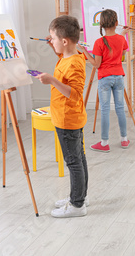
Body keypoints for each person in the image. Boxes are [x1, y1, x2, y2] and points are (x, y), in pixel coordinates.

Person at [35, 15, 89, 218]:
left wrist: (51, 80)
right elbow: (64, 65)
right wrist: (53, 48)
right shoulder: (69, 57)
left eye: (53, 38)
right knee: (79, 159)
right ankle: (80, 195)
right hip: (69, 118)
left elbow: (75, 94)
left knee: (74, 162)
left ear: (64, 41)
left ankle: (77, 205)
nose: (51, 41)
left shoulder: (74, 64)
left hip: (68, 120)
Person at [78, 9, 130, 152]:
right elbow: (122, 54)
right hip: (119, 76)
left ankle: (104, 143)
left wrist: (84, 52)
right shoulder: (121, 39)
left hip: (105, 78)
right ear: (117, 23)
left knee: (105, 110)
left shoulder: (99, 42)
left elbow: (96, 64)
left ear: (101, 24)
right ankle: (124, 140)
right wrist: (123, 35)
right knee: (120, 108)